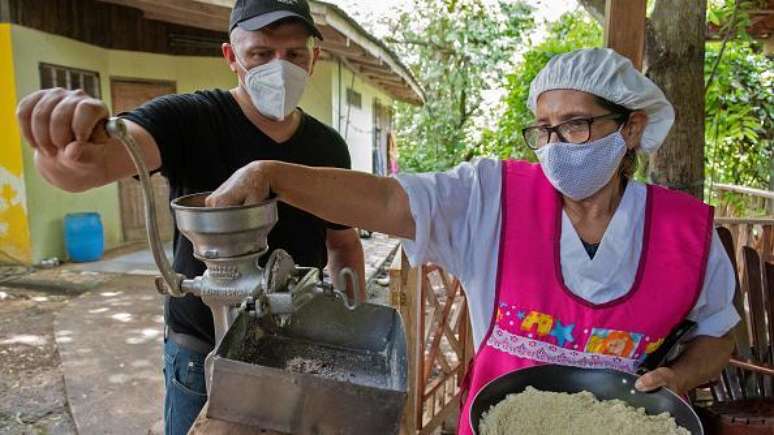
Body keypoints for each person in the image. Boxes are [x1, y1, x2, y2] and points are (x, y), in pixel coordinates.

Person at [205, 48, 740, 434]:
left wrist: (681, 374)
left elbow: (717, 334)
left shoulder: (685, 232)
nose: (555, 146)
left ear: (630, 128)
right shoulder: (493, 197)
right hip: (498, 423)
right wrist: (274, 174)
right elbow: (390, 202)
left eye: (576, 125)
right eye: (543, 129)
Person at [15, 0, 366, 433]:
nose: (281, 67)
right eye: (260, 53)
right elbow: (95, 163)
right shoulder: (189, 119)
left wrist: (352, 324)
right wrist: (60, 151)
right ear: (231, 57)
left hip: (298, 347)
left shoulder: (329, 148)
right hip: (202, 355)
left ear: (314, 58)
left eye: (294, 54)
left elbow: (344, 243)